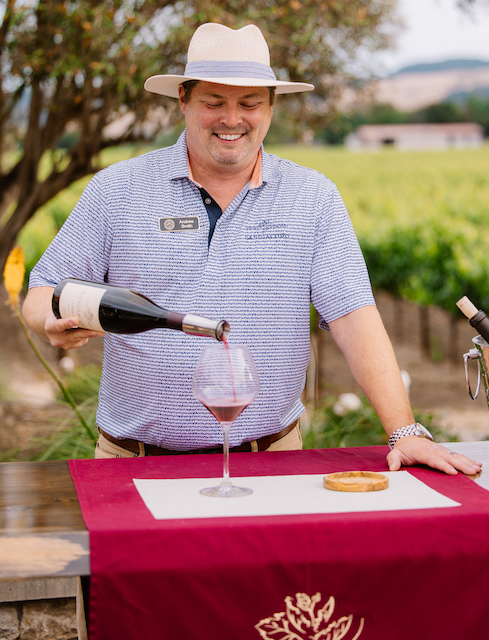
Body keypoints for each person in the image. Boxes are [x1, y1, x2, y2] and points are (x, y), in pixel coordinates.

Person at [23, 22, 481, 477]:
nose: (231, 119)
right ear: (183, 100)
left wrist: (405, 431)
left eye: (249, 103)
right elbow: (43, 290)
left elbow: (354, 317)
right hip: (132, 464)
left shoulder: (312, 197)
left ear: (271, 107)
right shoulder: (116, 190)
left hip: (272, 462)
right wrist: (48, 321)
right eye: (213, 102)